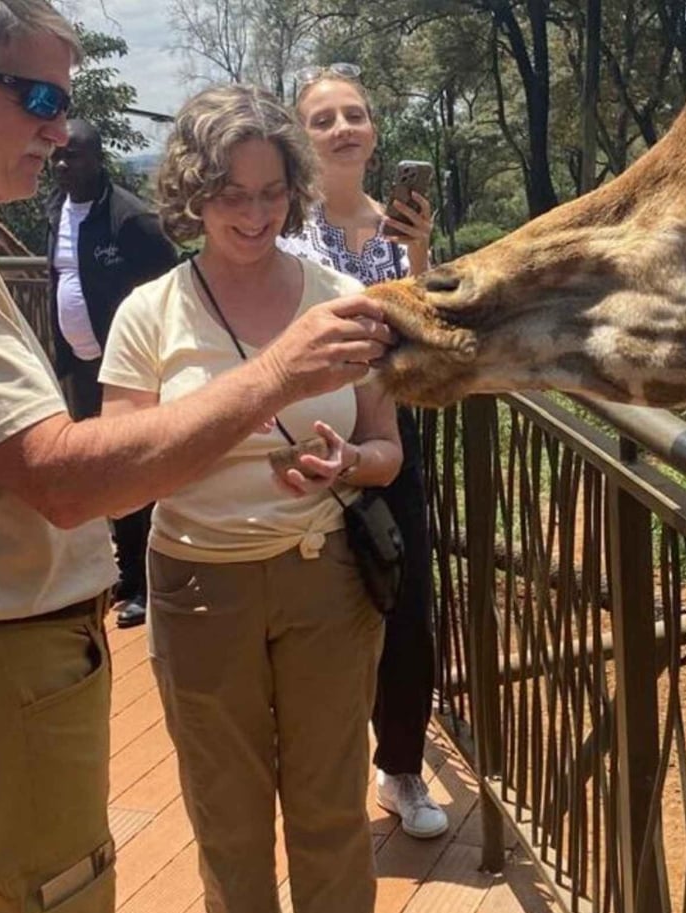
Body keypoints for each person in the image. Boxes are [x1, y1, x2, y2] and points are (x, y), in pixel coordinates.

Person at [0, 3, 392, 913]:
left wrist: (344, 456)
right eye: (36, 98)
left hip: (31, 651)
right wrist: (274, 379)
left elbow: (382, 443)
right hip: (9, 656)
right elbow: (71, 475)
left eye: (64, 103)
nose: (56, 128)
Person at [100, 84, 401, 913]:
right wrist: (261, 393)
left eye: (272, 192)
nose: (255, 213)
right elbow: (122, 467)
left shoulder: (345, 300)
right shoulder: (149, 314)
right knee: (229, 825)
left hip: (325, 584)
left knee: (329, 816)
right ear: (193, 191)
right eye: (232, 192)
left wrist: (348, 461)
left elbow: (388, 451)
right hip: (198, 591)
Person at [283, 65, 449, 840]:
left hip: (391, 439)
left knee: (407, 603)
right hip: (304, 435)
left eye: (355, 114)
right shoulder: (284, 231)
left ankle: (403, 769)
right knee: (315, 608)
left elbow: (428, 339)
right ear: (302, 135)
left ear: (375, 131)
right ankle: (318, 770)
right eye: (324, 119)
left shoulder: (397, 230)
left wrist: (420, 265)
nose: (343, 128)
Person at [45, 118, 178, 628]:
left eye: (72, 155)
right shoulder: (56, 209)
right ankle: (126, 570)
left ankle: (149, 581)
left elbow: (168, 288)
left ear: (98, 159)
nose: (61, 164)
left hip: (127, 368)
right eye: (57, 155)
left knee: (136, 470)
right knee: (104, 470)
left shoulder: (131, 219)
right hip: (80, 364)